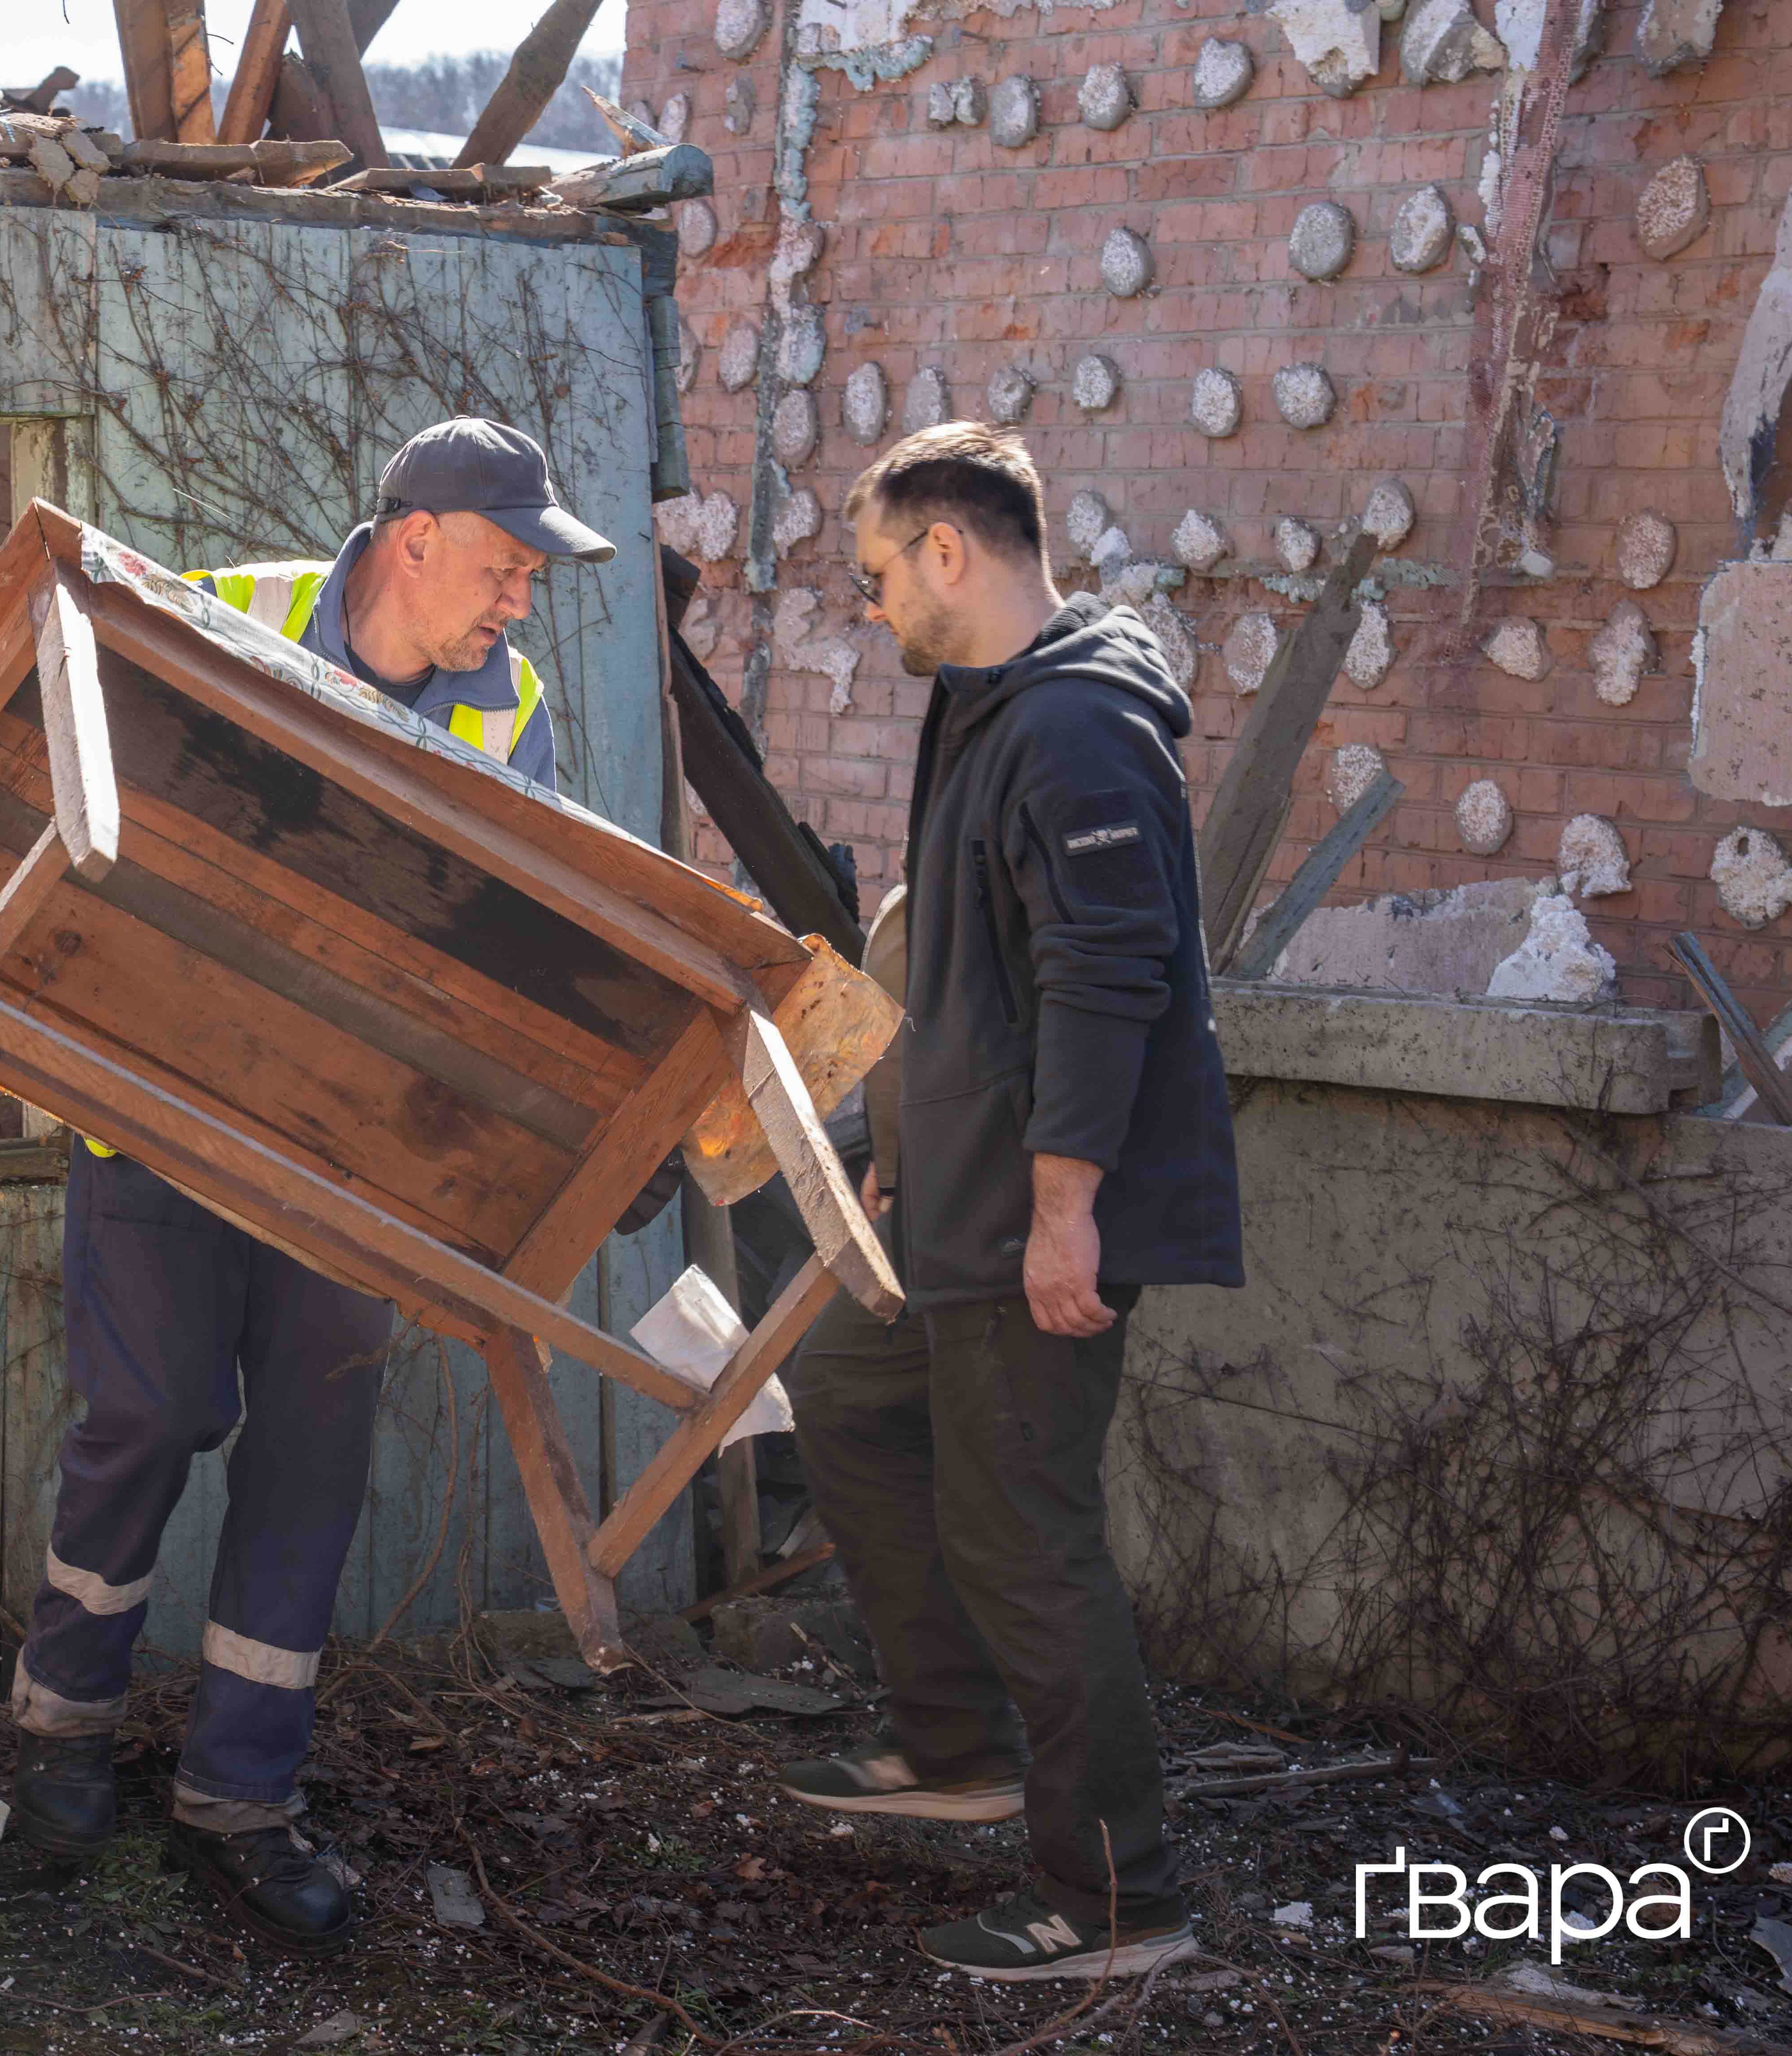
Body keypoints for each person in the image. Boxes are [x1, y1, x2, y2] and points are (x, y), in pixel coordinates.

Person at [0, 418, 639, 1955]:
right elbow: (48, 674)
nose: (519, 603)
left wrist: (599, 1117)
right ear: (413, 539)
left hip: (354, 1159)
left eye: (533, 579)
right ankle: (62, 1739)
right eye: (504, 566)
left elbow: (531, 948)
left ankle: (242, 1797)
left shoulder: (514, 717)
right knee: (141, 1420)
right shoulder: (235, 607)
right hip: (153, 1118)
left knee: (311, 1452)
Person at [773, 422, 1239, 1982]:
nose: (874, 603)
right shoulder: (983, 714)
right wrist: (915, 1135)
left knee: (1028, 1536)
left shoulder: (1079, 732)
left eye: (879, 574)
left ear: (949, 552)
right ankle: (956, 1745)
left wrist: (1063, 1213)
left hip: (1041, 1220)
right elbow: (971, 970)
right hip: (955, 1197)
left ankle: (1115, 1898)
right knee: (843, 1390)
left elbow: (1106, 985)